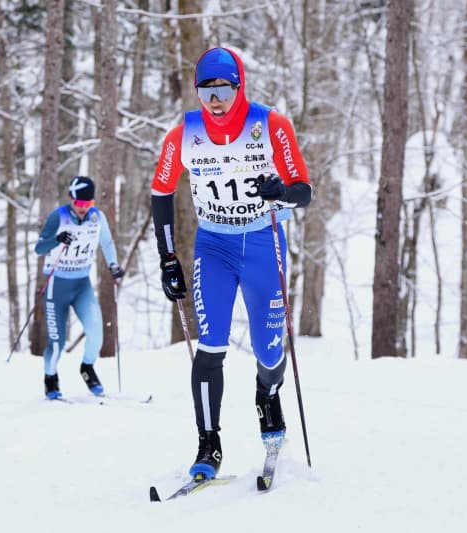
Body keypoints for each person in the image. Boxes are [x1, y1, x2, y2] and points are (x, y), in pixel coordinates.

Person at [150, 47, 311, 479]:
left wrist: (280, 190)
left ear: (239, 86)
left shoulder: (270, 124)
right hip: (214, 247)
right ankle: (208, 445)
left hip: (262, 242)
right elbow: (161, 192)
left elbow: (304, 191)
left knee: (270, 349)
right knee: (210, 347)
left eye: (224, 88)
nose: (216, 98)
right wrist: (168, 257)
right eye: (207, 90)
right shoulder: (183, 133)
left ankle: (267, 396)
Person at [35, 176, 125, 399]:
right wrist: (57, 239)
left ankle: (87, 368)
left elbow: (107, 243)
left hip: (81, 285)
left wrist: (113, 265)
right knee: (57, 343)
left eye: (88, 204)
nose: (84, 209)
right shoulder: (59, 217)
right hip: (57, 286)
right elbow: (39, 248)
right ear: (71, 200)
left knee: (96, 334)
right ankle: (50, 378)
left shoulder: (97, 218)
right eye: (79, 204)